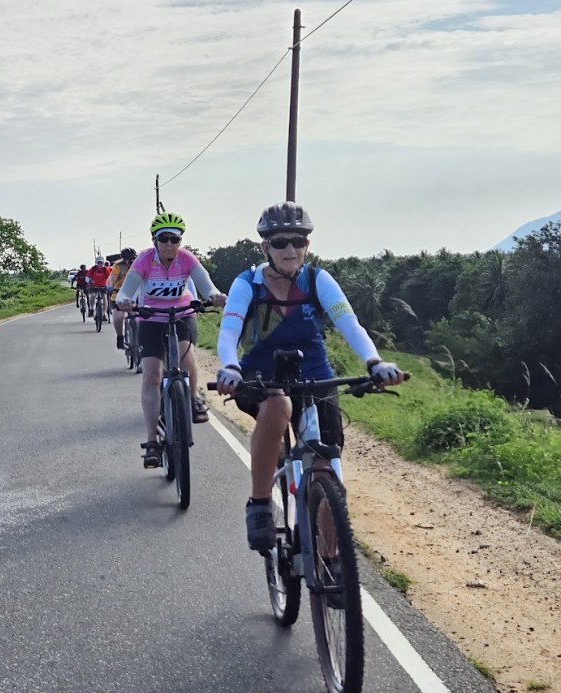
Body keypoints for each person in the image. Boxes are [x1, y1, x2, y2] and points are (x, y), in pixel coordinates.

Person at [214, 201, 405, 551]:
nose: (290, 249)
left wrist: (374, 362)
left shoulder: (318, 280)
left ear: (307, 246)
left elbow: (350, 324)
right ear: (265, 247)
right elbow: (229, 332)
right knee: (277, 405)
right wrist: (229, 365)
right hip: (259, 376)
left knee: (325, 467)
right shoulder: (248, 284)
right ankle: (259, 505)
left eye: (298, 241)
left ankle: (331, 565)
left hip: (315, 375)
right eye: (280, 242)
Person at [116, 212, 227, 469]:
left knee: (185, 355)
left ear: (180, 240)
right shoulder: (144, 261)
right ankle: (152, 441)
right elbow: (127, 289)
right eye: (163, 239)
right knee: (152, 375)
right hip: (151, 317)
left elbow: (206, 285)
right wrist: (125, 301)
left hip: (182, 314)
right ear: (154, 240)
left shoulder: (187, 259)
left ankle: (192, 398)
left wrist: (216, 296)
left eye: (174, 239)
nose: (169, 244)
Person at [108, 248, 137, 349]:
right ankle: (120, 338)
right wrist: (110, 287)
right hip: (119, 293)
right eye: (129, 259)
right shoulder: (118, 266)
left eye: (133, 258)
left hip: (135, 293)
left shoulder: (139, 264)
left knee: (140, 316)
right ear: (124, 259)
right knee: (118, 318)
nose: (131, 261)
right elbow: (111, 278)